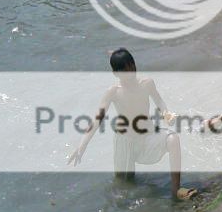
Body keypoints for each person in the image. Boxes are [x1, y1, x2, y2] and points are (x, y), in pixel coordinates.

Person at [67, 48, 197, 200]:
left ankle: (176, 190)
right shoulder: (114, 92)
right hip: (125, 142)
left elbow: (159, 101)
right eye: (125, 71)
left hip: (147, 136)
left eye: (132, 67)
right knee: (124, 186)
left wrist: (166, 113)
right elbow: (97, 119)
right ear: (116, 73)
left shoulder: (147, 84)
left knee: (173, 139)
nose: (131, 73)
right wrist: (82, 146)